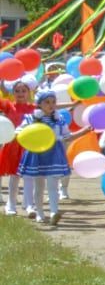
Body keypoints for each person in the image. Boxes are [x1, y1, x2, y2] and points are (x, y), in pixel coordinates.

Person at [19, 85, 71, 228]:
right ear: (39, 104)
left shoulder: (59, 120)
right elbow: (20, 132)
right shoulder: (31, 118)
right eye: (47, 102)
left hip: (53, 154)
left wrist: (85, 131)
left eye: (53, 102)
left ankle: (54, 212)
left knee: (52, 185)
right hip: (37, 154)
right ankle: (40, 212)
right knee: (39, 185)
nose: (51, 105)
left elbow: (67, 136)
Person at [2, 78, 34, 215]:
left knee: (29, 176)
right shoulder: (9, 106)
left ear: (29, 93)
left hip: (30, 146)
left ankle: (28, 204)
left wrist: (74, 103)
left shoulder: (34, 108)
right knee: (14, 176)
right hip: (13, 145)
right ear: (12, 93)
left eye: (23, 91)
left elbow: (53, 107)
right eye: (17, 91)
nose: (20, 93)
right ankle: (11, 204)